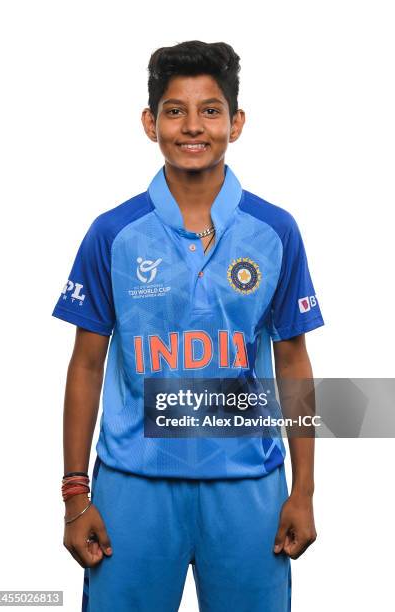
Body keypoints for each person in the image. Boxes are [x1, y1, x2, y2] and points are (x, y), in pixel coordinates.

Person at [53, 40, 324, 612]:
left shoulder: (276, 231)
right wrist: (76, 494)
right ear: (151, 124)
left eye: (210, 110)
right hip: (133, 485)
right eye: (175, 111)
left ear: (237, 122)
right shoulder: (112, 233)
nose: (192, 126)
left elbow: (292, 360)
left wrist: (303, 490)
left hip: (249, 485)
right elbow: (85, 364)